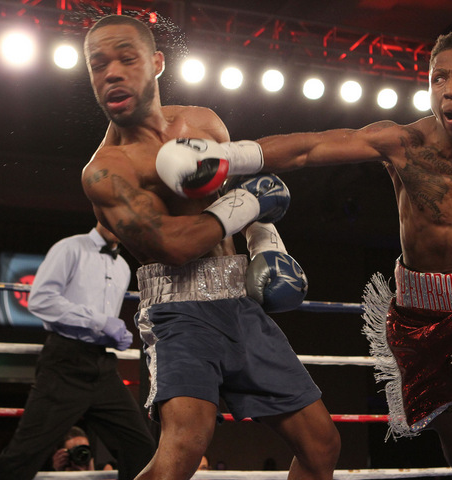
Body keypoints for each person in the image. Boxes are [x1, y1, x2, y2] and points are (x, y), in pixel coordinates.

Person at [164, 30, 452, 479]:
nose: (449, 88)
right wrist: (227, 156)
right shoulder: (404, 143)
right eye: (438, 78)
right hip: (420, 306)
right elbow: (311, 148)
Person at [80, 14, 340, 480]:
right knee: (182, 451)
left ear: (156, 62)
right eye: (98, 65)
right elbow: (174, 246)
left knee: (323, 445)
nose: (112, 72)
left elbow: (258, 196)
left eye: (126, 58)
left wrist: (266, 245)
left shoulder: (202, 122)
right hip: (179, 311)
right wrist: (248, 202)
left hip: (239, 302)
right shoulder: (106, 170)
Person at [0, 223, 156, 480]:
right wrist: (99, 322)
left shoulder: (121, 267)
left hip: (102, 365)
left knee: (140, 449)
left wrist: (111, 334)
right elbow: (41, 300)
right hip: (65, 362)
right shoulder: (70, 248)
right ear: (99, 212)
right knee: (25, 454)